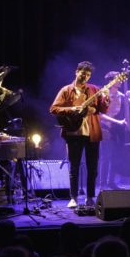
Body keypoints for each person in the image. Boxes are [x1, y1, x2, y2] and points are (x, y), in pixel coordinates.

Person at [49, 61, 111, 208]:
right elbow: (53, 109)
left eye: (88, 75)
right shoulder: (66, 90)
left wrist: (106, 99)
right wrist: (71, 109)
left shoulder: (94, 89)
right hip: (73, 133)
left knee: (93, 168)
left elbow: (104, 109)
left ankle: (90, 197)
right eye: (83, 73)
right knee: (74, 167)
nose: (85, 77)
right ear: (76, 72)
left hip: (92, 134)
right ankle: (74, 198)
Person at [99, 70, 130, 189]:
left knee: (115, 156)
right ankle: (102, 184)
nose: (120, 81)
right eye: (117, 78)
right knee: (105, 157)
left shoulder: (121, 96)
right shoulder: (103, 94)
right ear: (111, 81)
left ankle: (111, 182)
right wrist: (118, 122)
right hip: (105, 128)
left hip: (117, 130)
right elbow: (100, 114)